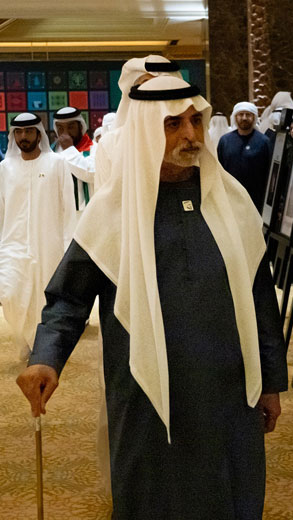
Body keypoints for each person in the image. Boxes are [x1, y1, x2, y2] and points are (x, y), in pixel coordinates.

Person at [16, 76, 286, 520]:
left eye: (195, 120)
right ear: (143, 132)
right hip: (149, 405)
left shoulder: (232, 203)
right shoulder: (113, 215)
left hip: (229, 402)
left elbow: (261, 299)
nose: (190, 135)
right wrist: (46, 358)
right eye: (173, 124)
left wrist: (271, 382)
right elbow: (67, 301)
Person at [0, 113, 76, 360]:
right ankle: (24, 334)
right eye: (19, 132)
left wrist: (68, 247)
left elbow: (68, 208)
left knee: (42, 297)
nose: (24, 136)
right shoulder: (5, 169)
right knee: (9, 293)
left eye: (28, 131)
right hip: (12, 244)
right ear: (13, 136)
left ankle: (37, 346)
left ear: (38, 133)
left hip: (48, 244)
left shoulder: (56, 164)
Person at [93, 56, 183, 189]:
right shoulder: (110, 144)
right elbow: (104, 198)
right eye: (146, 85)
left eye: (161, 85)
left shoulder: (190, 138)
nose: (155, 93)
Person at [217, 101, 273, 211]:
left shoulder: (264, 141)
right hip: (231, 199)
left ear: (254, 117)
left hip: (256, 200)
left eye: (248, 115)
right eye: (240, 114)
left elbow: (269, 171)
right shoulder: (225, 141)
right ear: (235, 117)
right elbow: (219, 169)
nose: (244, 118)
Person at [54, 106, 96, 214]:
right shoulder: (52, 152)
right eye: (60, 128)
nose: (65, 133)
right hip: (62, 215)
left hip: (88, 214)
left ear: (81, 127)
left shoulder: (95, 149)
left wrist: (69, 150)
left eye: (71, 127)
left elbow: (92, 174)